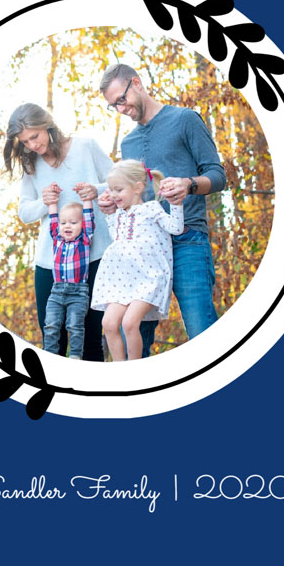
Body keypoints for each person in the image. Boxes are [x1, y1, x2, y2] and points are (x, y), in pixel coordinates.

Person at [99, 63, 226, 356]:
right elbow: (134, 198)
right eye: (112, 106)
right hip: (141, 252)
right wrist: (113, 203)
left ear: (137, 83)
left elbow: (217, 176)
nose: (120, 109)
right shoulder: (128, 142)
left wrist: (189, 184)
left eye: (121, 99)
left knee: (201, 332)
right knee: (127, 334)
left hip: (186, 242)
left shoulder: (185, 119)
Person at [4, 102, 113, 361]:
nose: (31, 145)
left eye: (34, 136)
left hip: (93, 259)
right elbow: (25, 213)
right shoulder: (31, 165)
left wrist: (97, 190)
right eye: (24, 141)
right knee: (52, 340)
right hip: (51, 264)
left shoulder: (85, 146)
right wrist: (45, 202)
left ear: (47, 126)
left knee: (90, 341)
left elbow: (122, 182)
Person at [90, 160, 185, 361]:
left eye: (118, 190)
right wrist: (110, 215)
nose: (114, 195)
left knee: (129, 323)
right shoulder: (120, 214)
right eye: (111, 190)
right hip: (121, 280)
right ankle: (119, 368)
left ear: (138, 188)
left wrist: (176, 205)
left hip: (148, 278)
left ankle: (134, 367)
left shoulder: (152, 208)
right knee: (108, 323)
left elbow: (175, 228)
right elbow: (117, 237)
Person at [43, 198, 95, 359]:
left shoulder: (84, 240)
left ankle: (75, 355)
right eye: (63, 223)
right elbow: (53, 220)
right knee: (51, 325)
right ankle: (49, 355)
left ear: (81, 225)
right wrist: (52, 202)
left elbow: (88, 218)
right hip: (56, 291)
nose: (67, 226)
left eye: (73, 222)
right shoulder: (57, 239)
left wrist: (87, 200)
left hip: (78, 293)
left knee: (74, 325)